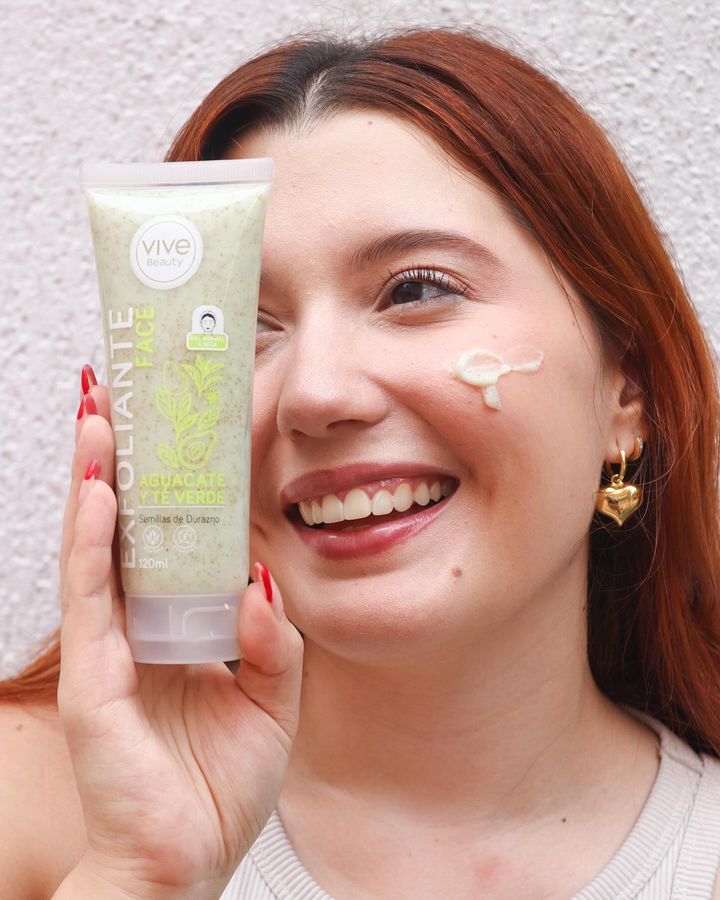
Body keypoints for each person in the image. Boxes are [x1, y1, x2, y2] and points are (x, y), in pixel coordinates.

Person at [2, 24, 720, 899]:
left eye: (416, 290)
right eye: (240, 325)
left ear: (626, 390)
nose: (316, 393)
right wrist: (138, 877)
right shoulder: (25, 811)